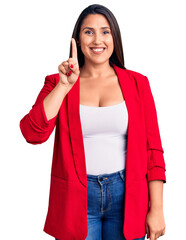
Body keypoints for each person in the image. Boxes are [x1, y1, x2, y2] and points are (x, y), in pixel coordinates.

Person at [19, 4, 166, 240]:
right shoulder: (57, 83)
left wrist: (157, 208)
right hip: (76, 199)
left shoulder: (139, 84)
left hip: (127, 196)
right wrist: (64, 86)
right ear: (77, 40)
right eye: (89, 32)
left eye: (105, 31)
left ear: (114, 37)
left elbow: (153, 149)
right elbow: (32, 133)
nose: (97, 39)